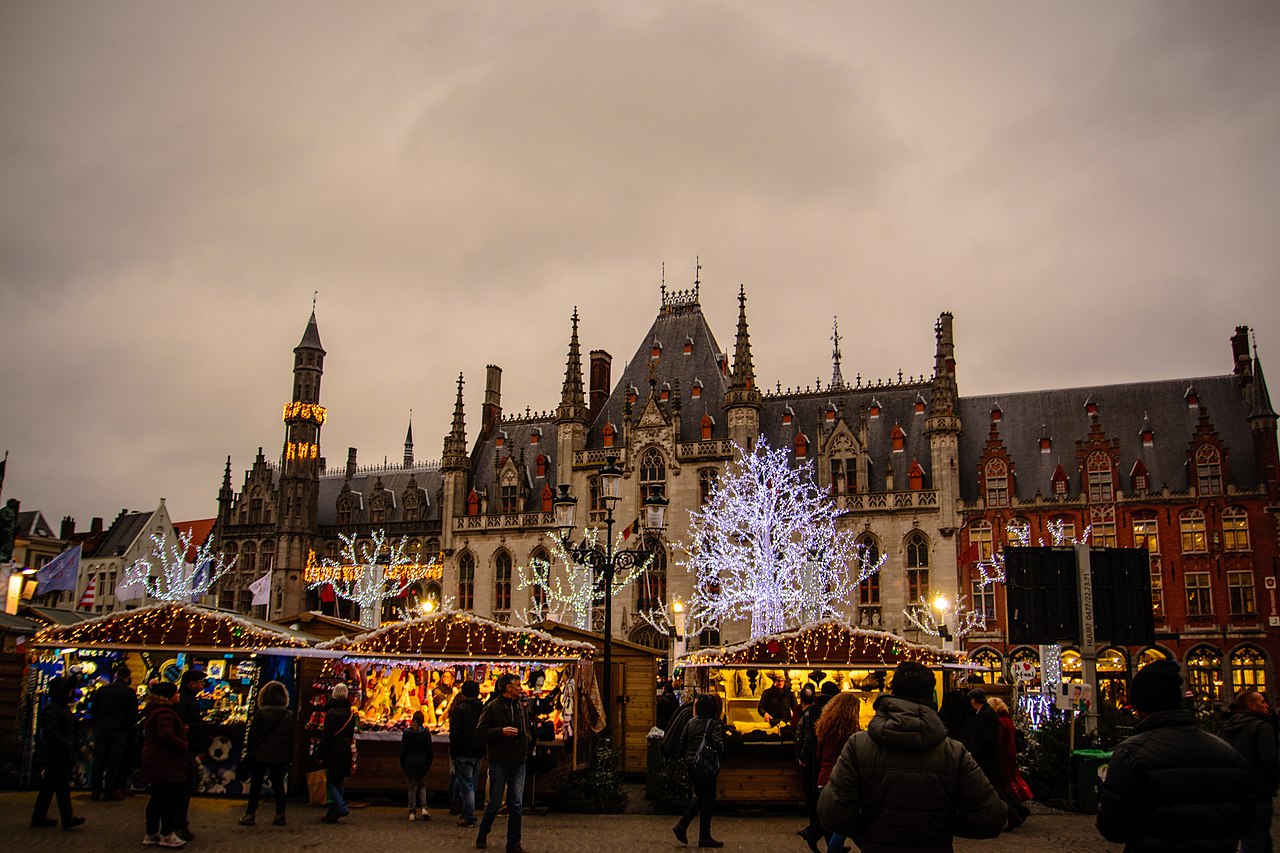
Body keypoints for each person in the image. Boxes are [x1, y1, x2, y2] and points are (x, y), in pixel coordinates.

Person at [818, 661, 1005, 852]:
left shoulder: (859, 746)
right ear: (931, 697)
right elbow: (992, 817)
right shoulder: (954, 753)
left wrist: (869, 828)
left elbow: (831, 812)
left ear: (891, 693)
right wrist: (942, 825)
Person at [1097, 660, 1252, 852]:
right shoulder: (1227, 752)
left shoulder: (1132, 753)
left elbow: (1114, 829)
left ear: (1140, 708)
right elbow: (1245, 821)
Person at [475, 672, 532, 852]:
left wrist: (527, 741)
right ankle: (483, 831)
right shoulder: (492, 707)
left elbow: (525, 727)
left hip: (518, 760)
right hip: (499, 760)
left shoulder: (520, 706)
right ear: (508, 687)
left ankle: (513, 843)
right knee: (495, 802)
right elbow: (481, 731)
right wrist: (501, 732)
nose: (520, 688)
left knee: (516, 803)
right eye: (517, 685)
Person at [1222, 689, 1279, 853]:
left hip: (1236, 792)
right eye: (1262, 702)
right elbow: (1270, 760)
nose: (1267, 705)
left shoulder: (1228, 728)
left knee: (1259, 838)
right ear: (1251, 706)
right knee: (1255, 840)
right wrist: (1272, 784)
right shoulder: (1261, 728)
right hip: (1258, 791)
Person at [30, 675, 85, 830]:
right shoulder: (54, 709)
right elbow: (52, 731)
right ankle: (67, 818)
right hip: (56, 754)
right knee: (62, 787)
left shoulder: (59, 707)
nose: (70, 693)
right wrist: (66, 744)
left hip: (56, 753)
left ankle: (39, 816)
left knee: (48, 787)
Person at [673, 693, 726, 849]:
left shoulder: (691, 722)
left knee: (701, 797)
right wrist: (720, 754)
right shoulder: (714, 724)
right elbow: (718, 744)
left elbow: (682, 741)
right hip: (705, 765)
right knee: (708, 799)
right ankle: (703, 835)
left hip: (692, 764)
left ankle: (682, 826)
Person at [239, 679, 294, 827]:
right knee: (278, 785)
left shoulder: (261, 713)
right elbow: (290, 738)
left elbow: (253, 736)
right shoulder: (288, 715)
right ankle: (280, 814)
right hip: (280, 755)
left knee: (256, 785)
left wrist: (251, 751)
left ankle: (250, 814)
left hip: (261, 754)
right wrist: (289, 755)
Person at [140, 682, 188, 848]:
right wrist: (182, 744)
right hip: (165, 762)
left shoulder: (155, 710)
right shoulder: (165, 713)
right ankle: (167, 834)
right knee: (169, 799)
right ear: (169, 696)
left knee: (157, 798)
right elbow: (166, 735)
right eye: (176, 693)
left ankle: (151, 833)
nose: (178, 696)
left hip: (156, 760)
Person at [814, 692, 862, 853]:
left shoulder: (824, 729)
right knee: (844, 826)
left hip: (823, 779)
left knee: (842, 825)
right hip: (841, 780)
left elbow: (819, 756)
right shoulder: (852, 734)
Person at [796, 682, 839, 852]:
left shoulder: (811, 712)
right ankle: (819, 835)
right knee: (831, 805)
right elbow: (811, 738)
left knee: (816, 798)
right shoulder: (831, 714)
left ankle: (816, 831)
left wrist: (803, 757)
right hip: (822, 763)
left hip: (815, 762)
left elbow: (806, 736)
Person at [89, 665, 137, 802]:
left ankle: (95, 791)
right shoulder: (128, 693)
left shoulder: (101, 691)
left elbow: (93, 711)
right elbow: (132, 716)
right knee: (114, 762)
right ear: (127, 677)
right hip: (119, 731)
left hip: (102, 730)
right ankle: (109, 791)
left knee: (98, 761)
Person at [173, 670, 209, 841]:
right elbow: (189, 726)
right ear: (192, 683)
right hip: (186, 749)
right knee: (184, 787)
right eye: (200, 682)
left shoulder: (186, 700)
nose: (202, 685)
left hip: (188, 748)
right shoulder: (186, 701)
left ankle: (176, 824)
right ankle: (178, 824)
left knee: (183, 787)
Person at [989, 697, 1031, 831]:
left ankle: (1015, 812)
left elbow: (998, 742)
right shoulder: (1007, 720)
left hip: (1002, 759)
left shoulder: (1000, 722)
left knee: (999, 788)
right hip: (1009, 757)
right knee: (1003, 788)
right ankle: (1018, 810)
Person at [319, 682, 357, 824]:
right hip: (345, 748)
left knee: (330, 781)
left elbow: (327, 735)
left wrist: (320, 753)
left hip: (333, 749)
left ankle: (340, 806)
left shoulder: (331, 713)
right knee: (338, 781)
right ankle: (332, 813)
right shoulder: (350, 713)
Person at [450, 680, 486, 828]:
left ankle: (469, 816)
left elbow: (455, 733)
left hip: (464, 751)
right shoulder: (483, 709)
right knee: (472, 784)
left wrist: (453, 751)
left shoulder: (460, 710)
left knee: (467, 785)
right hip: (478, 751)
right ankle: (466, 813)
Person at [401, 709, 434, 821]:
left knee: (412, 787)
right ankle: (424, 807)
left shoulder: (406, 733)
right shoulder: (425, 733)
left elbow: (402, 751)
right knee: (422, 786)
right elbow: (429, 751)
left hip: (409, 763)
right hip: (422, 763)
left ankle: (412, 812)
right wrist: (428, 764)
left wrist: (403, 764)